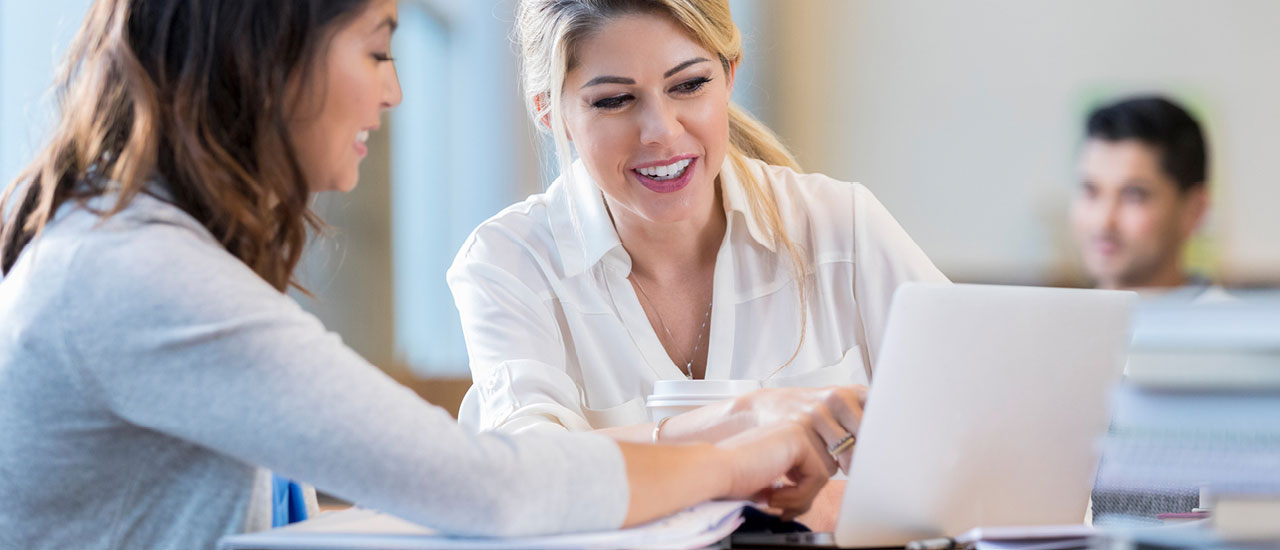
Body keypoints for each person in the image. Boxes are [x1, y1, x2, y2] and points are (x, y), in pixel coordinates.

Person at [0, 1, 836, 548]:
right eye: (376, 50)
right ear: (272, 57)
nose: (394, 91)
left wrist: (730, 432)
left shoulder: (126, 244)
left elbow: (476, 465)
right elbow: (491, 485)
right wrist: (741, 459)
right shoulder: (140, 276)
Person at [447, 0, 948, 529]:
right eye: (615, 100)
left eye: (688, 85)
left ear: (729, 76)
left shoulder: (840, 228)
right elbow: (524, 474)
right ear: (552, 112)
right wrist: (742, 424)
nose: (660, 130)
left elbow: (984, 426)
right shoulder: (509, 263)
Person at [1070, 95, 1211, 294]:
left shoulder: (1237, 324)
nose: (1103, 221)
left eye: (1133, 196)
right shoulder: (1055, 323)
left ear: (1194, 210)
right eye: (1090, 191)